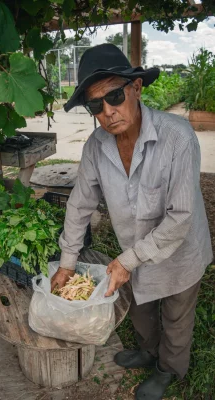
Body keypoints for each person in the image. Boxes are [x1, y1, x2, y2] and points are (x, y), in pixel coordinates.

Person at [50, 44, 213, 400]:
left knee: (176, 314)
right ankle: (147, 350)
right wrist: (66, 262)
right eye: (96, 105)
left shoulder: (177, 137)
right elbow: (80, 204)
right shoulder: (96, 146)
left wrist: (127, 261)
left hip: (180, 250)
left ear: (136, 88)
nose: (108, 112)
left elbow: (181, 217)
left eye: (114, 96)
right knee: (139, 306)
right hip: (133, 252)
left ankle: (168, 368)